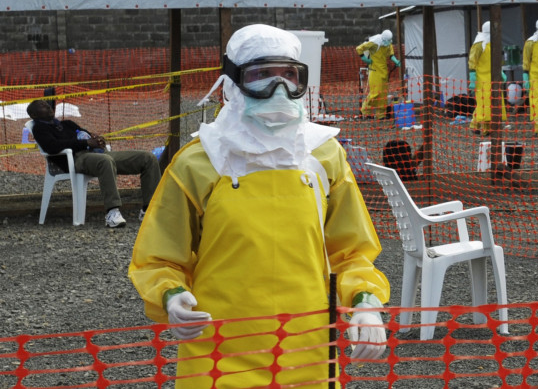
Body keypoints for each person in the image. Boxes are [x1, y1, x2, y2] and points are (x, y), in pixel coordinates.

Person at [128, 24, 391, 389]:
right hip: (217, 354)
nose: (278, 89)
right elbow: (159, 256)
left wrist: (364, 301)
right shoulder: (199, 163)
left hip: (307, 350)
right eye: (261, 76)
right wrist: (169, 295)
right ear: (233, 83)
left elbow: (351, 251)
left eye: (289, 75)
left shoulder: (324, 155)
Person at [26, 99, 161, 228]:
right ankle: (112, 212)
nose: (48, 107)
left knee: (148, 158)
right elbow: (52, 147)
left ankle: (149, 210)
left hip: (98, 154)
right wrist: (85, 143)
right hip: (76, 159)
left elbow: (87, 136)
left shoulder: (67, 124)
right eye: (43, 106)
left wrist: (98, 140)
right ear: (34, 114)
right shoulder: (40, 128)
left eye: (47, 104)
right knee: (105, 161)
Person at [467, 21, 508, 136]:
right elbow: (472, 61)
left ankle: (487, 129)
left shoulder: (494, 43)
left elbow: (495, 60)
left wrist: (500, 72)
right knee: (484, 103)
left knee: (492, 103)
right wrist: (473, 77)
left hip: (493, 78)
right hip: (481, 79)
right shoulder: (479, 44)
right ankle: (475, 124)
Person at [356, 29, 400, 119]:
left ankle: (381, 115)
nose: (388, 43)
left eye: (389, 42)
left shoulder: (388, 43)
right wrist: (365, 59)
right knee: (375, 93)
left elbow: (390, 54)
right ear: (383, 38)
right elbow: (359, 48)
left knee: (383, 95)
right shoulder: (375, 42)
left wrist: (396, 60)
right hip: (374, 71)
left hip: (384, 71)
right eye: (387, 41)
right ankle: (365, 111)